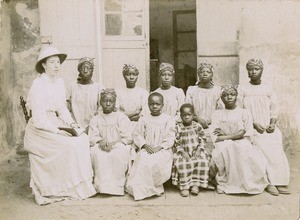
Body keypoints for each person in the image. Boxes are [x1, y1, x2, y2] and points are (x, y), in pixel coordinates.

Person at [24, 46, 96, 205]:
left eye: (58, 62)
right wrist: (57, 131)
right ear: (43, 65)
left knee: (82, 139)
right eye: (52, 62)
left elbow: (61, 108)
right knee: (68, 145)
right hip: (39, 129)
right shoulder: (38, 85)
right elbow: (39, 119)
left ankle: (78, 186)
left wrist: (72, 124)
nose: (57, 65)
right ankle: (59, 188)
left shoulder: (59, 82)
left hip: (55, 122)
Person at [238, 58, 290, 196]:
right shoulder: (242, 89)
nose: (253, 71)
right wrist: (253, 124)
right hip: (251, 127)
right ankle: (268, 181)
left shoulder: (267, 88)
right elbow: (240, 111)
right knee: (259, 147)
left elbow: (274, 108)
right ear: (247, 72)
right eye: (250, 69)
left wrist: (272, 124)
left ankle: (280, 180)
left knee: (275, 141)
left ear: (262, 70)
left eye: (256, 69)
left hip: (267, 125)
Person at [210, 85, 269, 194]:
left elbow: (246, 134)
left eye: (232, 94)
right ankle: (227, 182)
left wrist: (227, 134)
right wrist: (235, 135)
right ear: (222, 99)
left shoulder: (244, 112)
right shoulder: (217, 114)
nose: (229, 97)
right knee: (226, 148)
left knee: (243, 148)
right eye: (226, 95)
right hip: (223, 143)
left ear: (236, 96)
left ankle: (244, 183)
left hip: (242, 142)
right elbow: (216, 137)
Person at [126, 92, 176, 200]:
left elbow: (170, 137)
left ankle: (155, 186)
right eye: (151, 104)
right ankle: (143, 189)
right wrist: (144, 145)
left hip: (163, 149)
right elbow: (137, 134)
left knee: (157, 160)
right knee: (143, 159)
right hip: (147, 148)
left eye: (157, 104)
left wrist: (160, 147)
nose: (154, 106)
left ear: (162, 105)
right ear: (148, 105)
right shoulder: (144, 119)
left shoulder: (168, 119)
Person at [88, 89, 133, 196]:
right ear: (100, 102)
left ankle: (117, 186)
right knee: (97, 153)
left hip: (118, 144)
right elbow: (92, 136)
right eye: (105, 101)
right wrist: (100, 141)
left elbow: (127, 136)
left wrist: (113, 144)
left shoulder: (121, 117)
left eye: (111, 101)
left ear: (115, 102)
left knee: (119, 153)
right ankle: (101, 186)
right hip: (101, 145)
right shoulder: (96, 119)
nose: (108, 104)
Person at [171, 103, 211, 197]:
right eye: (184, 115)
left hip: (196, 150)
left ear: (193, 115)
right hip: (183, 151)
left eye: (189, 115)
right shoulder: (178, 127)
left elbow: (202, 139)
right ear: (181, 116)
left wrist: (198, 150)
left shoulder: (197, 126)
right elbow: (176, 142)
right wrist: (182, 152)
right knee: (182, 163)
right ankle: (184, 186)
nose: (187, 117)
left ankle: (195, 184)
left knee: (202, 161)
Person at [185, 61, 222, 154]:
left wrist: (209, 121)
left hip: (213, 123)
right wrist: (197, 119)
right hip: (195, 123)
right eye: (202, 72)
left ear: (212, 74)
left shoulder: (218, 90)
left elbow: (220, 110)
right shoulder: (192, 90)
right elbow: (188, 109)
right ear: (198, 74)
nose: (205, 74)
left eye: (208, 72)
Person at [67, 57, 104, 132]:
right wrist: (72, 124)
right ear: (79, 70)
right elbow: (66, 107)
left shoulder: (99, 87)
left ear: (92, 70)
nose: (85, 71)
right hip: (75, 127)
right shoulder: (72, 87)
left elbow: (102, 109)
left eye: (88, 68)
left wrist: (92, 126)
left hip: (95, 128)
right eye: (82, 68)